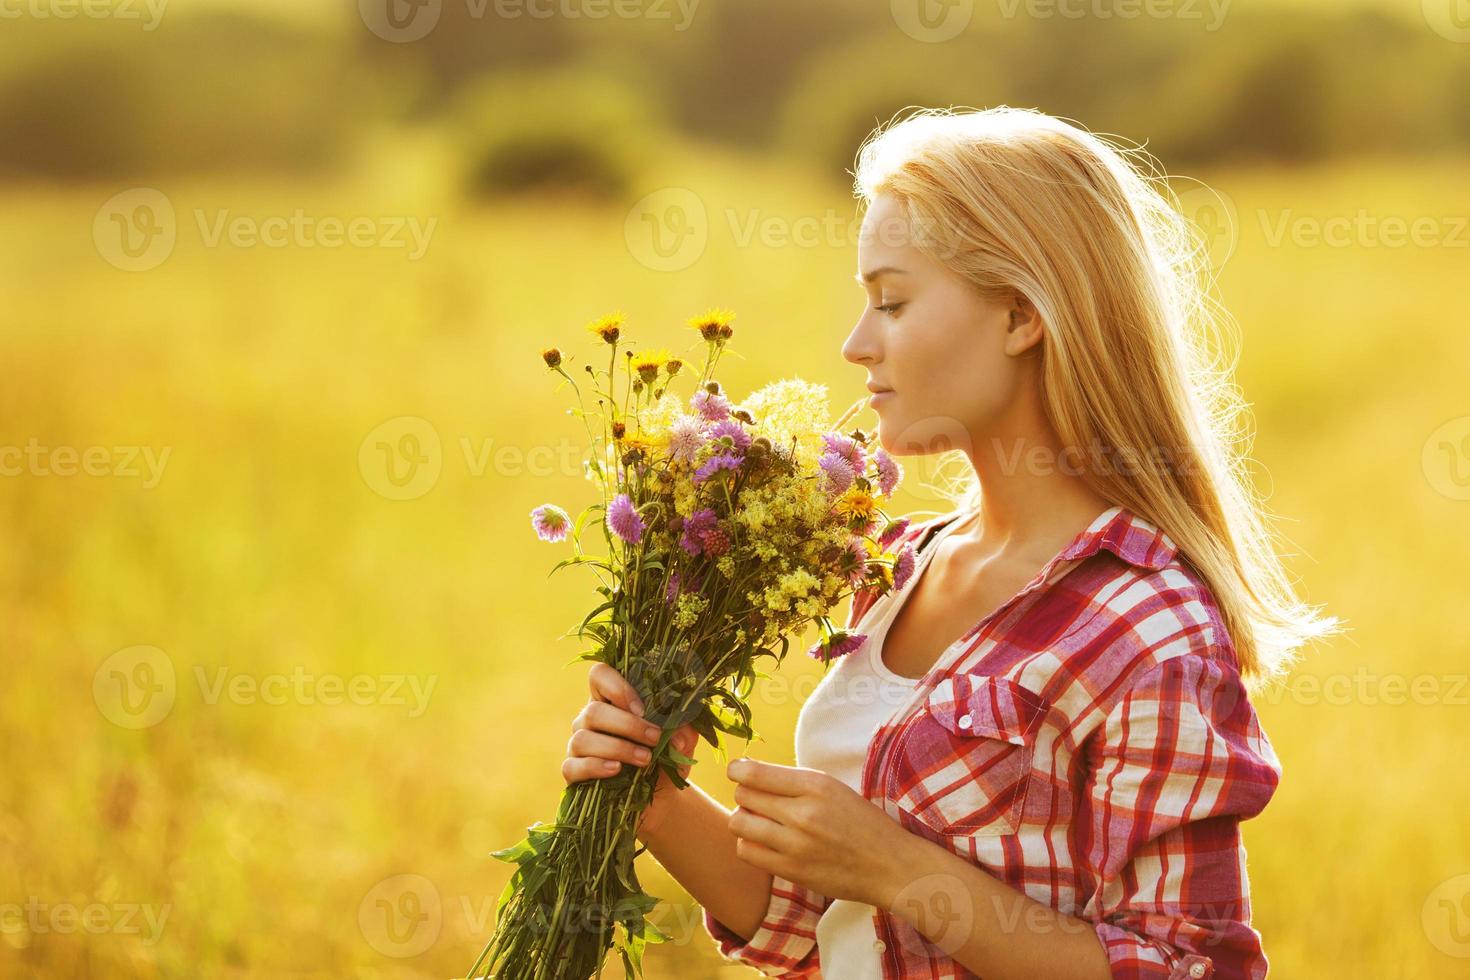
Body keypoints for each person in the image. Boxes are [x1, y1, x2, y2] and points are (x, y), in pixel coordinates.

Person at [561, 106, 1338, 979]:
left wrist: (895, 866)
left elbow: (1190, 968)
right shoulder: (895, 567)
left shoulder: (1148, 628)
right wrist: (653, 796)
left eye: (892, 301)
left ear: (1019, 316)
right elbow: (830, 930)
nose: (857, 345)